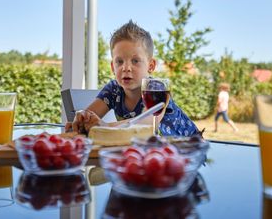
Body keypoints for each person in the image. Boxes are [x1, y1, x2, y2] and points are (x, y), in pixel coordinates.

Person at [66, 20, 199, 136]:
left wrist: (105, 127)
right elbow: (90, 116)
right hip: (149, 153)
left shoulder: (156, 88)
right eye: (119, 62)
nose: (126, 68)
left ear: (151, 66)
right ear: (113, 67)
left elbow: (148, 123)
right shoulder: (113, 89)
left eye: (135, 61)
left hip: (187, 149)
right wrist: (82, 119)